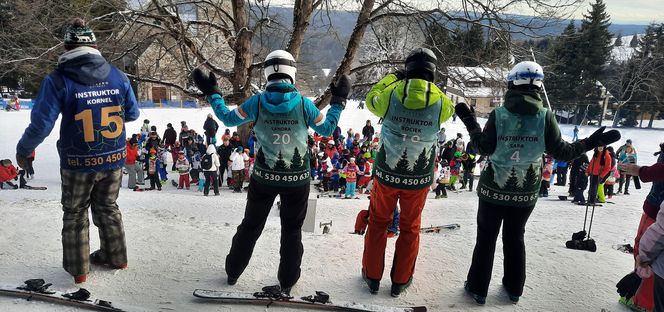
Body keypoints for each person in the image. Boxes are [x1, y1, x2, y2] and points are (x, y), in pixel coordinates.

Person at [455, 61, 620, 304]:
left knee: (486, 238)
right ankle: (514, 288)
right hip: (525, 192)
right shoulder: (546, 116)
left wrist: (471, 124)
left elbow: (483, 148)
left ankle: (478, 288)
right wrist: (588, 143)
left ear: (512, 83)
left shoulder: (499, 115)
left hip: (493, 190)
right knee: (515, 237)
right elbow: (563, 152)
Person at [192, 49, 350, 292]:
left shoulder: (257, 102)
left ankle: (233, 272)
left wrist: (213, 93)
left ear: (267, 74)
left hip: (263, 178)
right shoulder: (305, 105)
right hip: (296, 180)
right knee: (292, 230)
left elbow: (227, 118)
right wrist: (338, 102)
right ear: (292, 73)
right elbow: (328, 129)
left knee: (250, 226)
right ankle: (287, 281)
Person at [15, 18, 139, 283]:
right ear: (94, 46)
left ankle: (79, 270)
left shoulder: (58, 80)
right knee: (108, 206)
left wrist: (24, 149)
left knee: (75, 213)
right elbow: (133, 113)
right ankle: (117, 258)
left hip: (77, 160)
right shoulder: (118, 75)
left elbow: (41, 124)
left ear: (67, 46)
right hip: (113, 156)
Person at [362, 48, 454, 297]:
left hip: (387, 174)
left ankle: (371, 276)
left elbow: (372, 98)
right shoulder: (443, 102)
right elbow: (447, 112)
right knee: (411, 227)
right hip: (419, 177)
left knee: (379, 223)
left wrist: (392, 78)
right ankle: (400, 280)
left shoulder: (391, 93)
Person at [618, 143, 664, 312]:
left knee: (648, 257)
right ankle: (639, 296)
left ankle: (644, 302)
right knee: (643, 253)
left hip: (657, 213)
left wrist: (639, 171)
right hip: (653, 208)